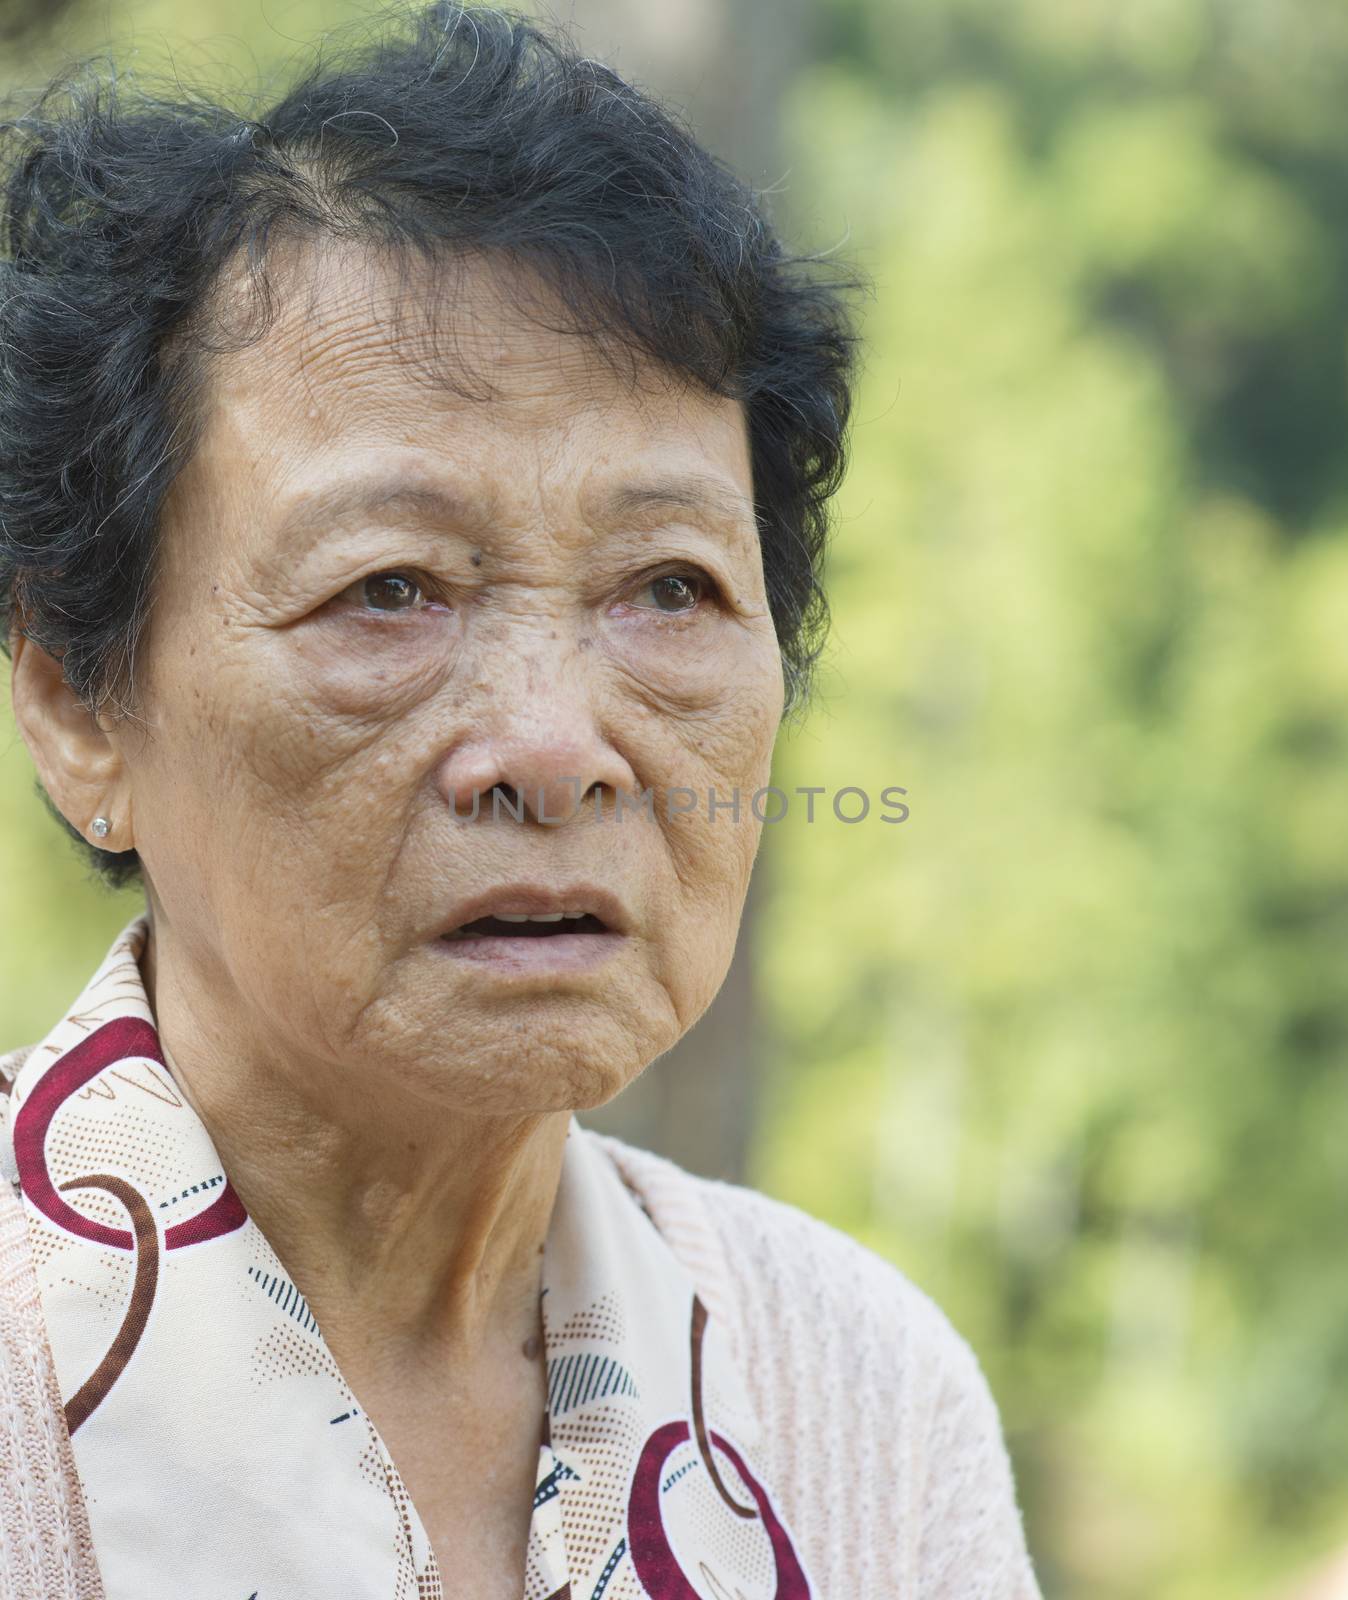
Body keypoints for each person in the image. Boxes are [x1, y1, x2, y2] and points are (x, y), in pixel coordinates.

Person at [0, 5, 1043, 1596]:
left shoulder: (855, 1400)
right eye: (391, 588)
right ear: (79, 704)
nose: (555, 749)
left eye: (669, 588)